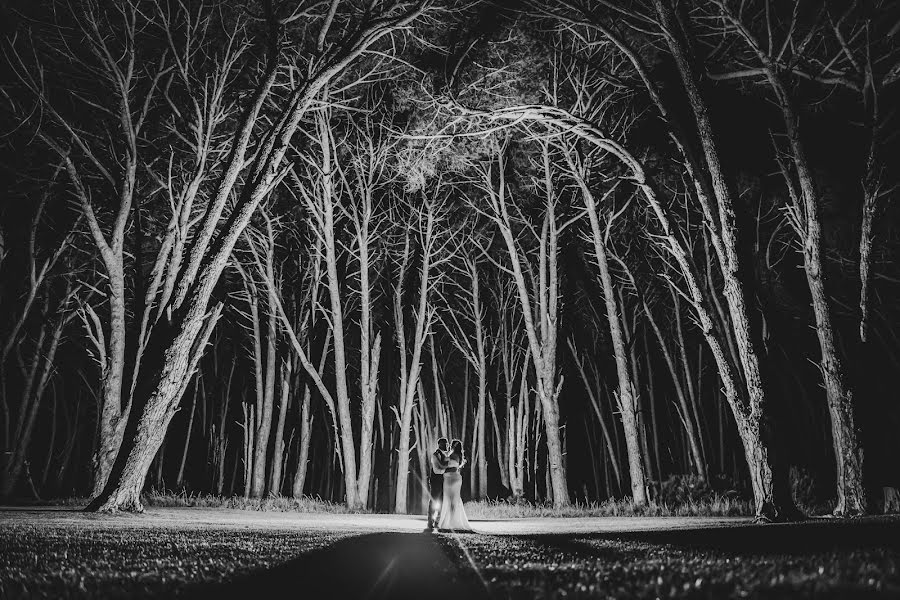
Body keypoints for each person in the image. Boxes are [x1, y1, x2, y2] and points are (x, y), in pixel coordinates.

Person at [438, 439, 472, 532]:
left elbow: (446, 465)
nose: (449, 446)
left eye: (451, 445)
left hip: (450, 478)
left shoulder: (453, 455)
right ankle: (453, 521)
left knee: (449, 499)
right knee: (454, 499)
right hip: (455, 478)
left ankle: (450, 522)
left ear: (453, 446)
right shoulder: (458, 456)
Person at [426, 437, 449, 532]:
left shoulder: (445, 455)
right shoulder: (435, 455)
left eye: (447, 444)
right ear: (440, 445)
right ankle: (430, 521)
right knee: (434, 500)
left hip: (443, 481)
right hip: (436, 481)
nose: (447, 446)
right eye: (445, 444)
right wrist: (446, 470)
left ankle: (438, 521)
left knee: (442, 501)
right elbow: (437, 470)